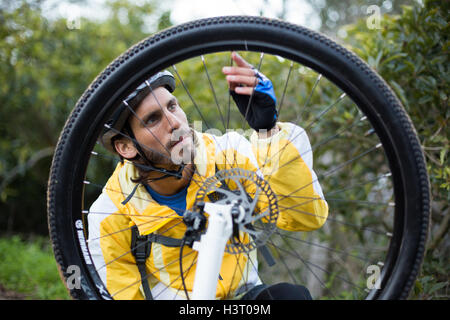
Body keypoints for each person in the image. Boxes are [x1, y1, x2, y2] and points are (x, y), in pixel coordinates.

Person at [87, 52, 328, 300]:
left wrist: (268, 131)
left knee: (290, 297)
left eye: (172, 106)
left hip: (242, 297)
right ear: (126, 147)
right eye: (152, 119)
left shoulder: (229, 154)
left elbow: (305, 217)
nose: (174, 122)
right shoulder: (109, 213)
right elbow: (118, 295)